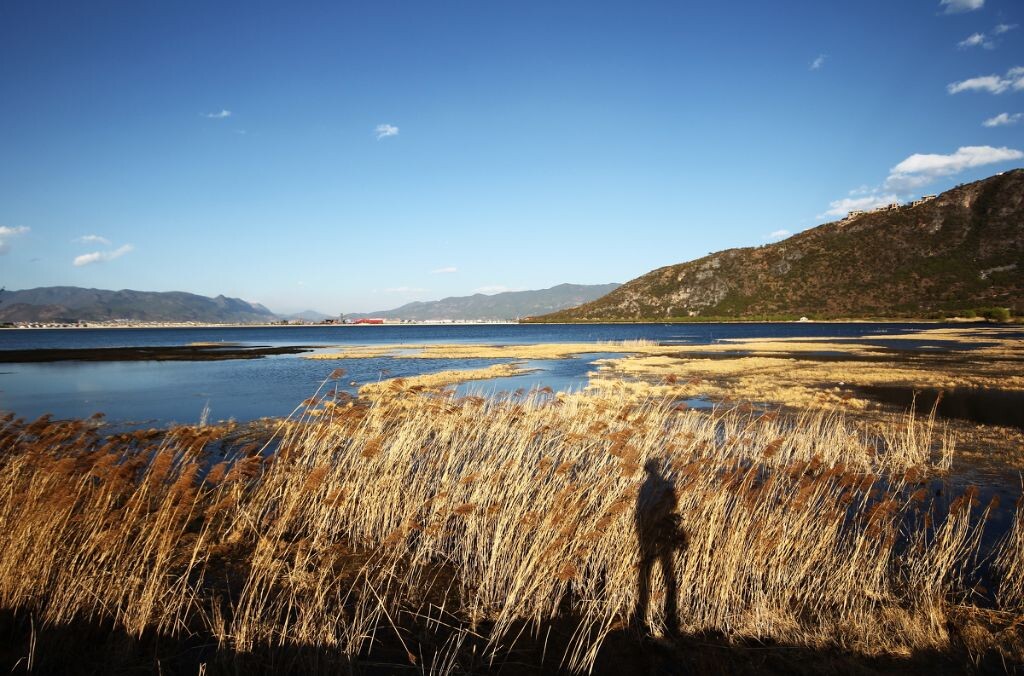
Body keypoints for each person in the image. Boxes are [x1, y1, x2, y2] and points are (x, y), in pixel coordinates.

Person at [634, 458, 687, 635]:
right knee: (669, 578)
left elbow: (639, 515)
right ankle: (670, 620)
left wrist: (642, 535)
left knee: (646, 578)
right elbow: (673, 505)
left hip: (649, 537)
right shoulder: (664, 485)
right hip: (662, 536)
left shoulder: (645, 489)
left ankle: (640, 618)